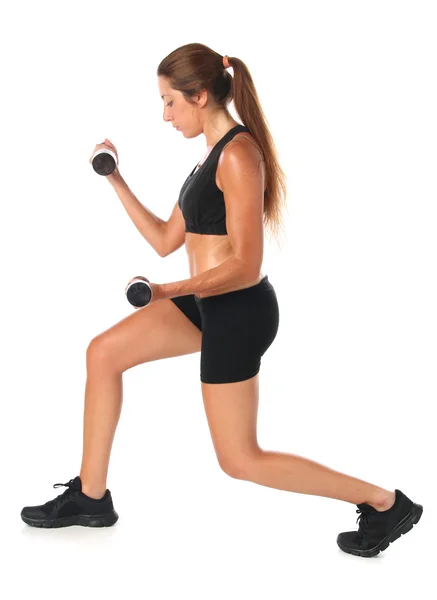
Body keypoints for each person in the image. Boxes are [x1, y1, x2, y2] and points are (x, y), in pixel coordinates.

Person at [20, 43, 422, 557]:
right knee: (103, 354)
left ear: (201, 94)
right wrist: (114, 178)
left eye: (170, 102)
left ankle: (385, 504)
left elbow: (245, 266)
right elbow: (167, 239)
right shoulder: (207, 159)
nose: (164, 115)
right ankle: (91, 498)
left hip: (238, 311)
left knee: (239, 460)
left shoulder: (237, 155)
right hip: (207, 303)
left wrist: (166, 291)